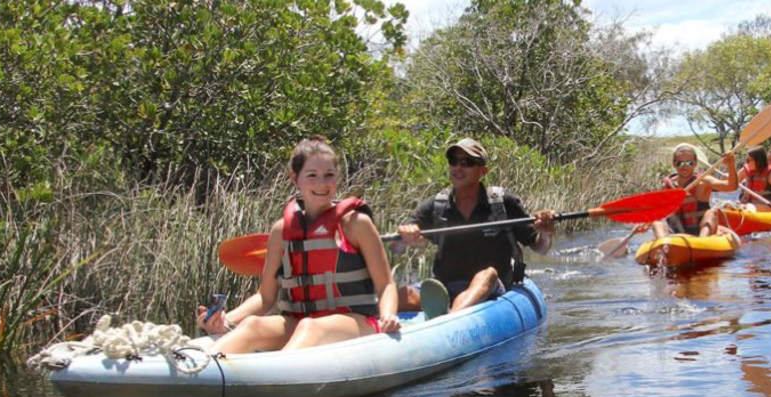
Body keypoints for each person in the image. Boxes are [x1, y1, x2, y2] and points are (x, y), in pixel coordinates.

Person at [197, 136, 400, 354]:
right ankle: (204, 366)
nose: (322, 183)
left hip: (356, 323)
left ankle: (277, 372)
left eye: (329, 175)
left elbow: (386, 284)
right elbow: (265, 297)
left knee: (311, 327)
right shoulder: (281, 231)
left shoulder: (356, 224)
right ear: (295, 179)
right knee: (252, 325)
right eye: (312, 175)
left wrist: (388, 314)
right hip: (299, 322)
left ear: (338, 177)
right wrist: (226, 320)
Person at [396, 138, 556, 318]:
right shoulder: (435, 206)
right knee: (399, 296)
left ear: (483, 171)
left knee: (487, 274)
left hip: (492, 286)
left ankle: (451, 318)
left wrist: (545, 233)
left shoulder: (504, 203)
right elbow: (396, 247)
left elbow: (540, 247)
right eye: (454, 162)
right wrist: (406, 236)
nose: (458, 168)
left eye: (467, 163)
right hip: (445, 287)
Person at [644, 143, 739, 239]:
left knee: (711, 213)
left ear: (695, 164)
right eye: (680, 163)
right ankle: (663, 244)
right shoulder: (668, 185)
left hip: (700, 232)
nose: (684, 166)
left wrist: (731, 165)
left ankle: (702, 241)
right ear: (674, 164)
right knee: (656, 221)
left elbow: (731, 186)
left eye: (689, 163)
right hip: (676, 234)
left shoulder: (703, 181)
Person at [737, 145, 771, 211]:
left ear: (758, 161)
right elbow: (732, 184)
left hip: (766, 207)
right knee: (730, 205)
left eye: (749, 160)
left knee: (749, 207)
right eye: (746, 160)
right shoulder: (745, 171)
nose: (747, 163)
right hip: (747, 205)